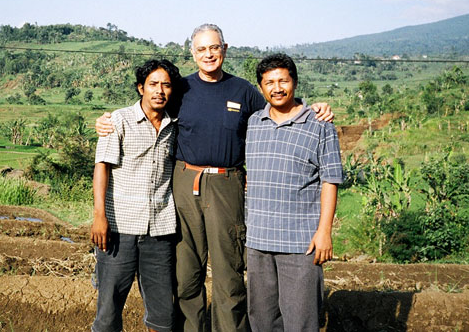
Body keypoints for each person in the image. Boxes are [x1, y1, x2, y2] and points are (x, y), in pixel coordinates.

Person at [96, 24, 334, 332]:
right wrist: (106, 119)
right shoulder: (180, 89)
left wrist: (312, 107)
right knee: (185, 275)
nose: (209, 54)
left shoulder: (244, 90)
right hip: (183, 184)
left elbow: (278, 108)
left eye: (214, 47)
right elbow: (147, 109)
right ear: (192, 53)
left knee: (228, 275)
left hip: (226, 183)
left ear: (224, 49)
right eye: (202, 49)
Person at [245, 53, 343, 332]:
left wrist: (324, 231)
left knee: (301, 322)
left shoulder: (320, 124)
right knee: (262, 321)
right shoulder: (254, 123)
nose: (277, 88)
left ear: (295, 83)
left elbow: (331, 179)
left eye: (283, 81)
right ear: (261, 87)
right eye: (269, 82)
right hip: (258, 240)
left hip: (300, 243)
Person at [91, 59, 182, 332]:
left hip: (160, 230)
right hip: (120, 228)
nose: (160, 91)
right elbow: (102, 167)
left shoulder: (176, 124)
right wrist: (99, 217)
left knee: (163, 315)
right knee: (108, 310)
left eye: (166, 85)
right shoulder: (118, 120)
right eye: (153, 84)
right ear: (141, 88)